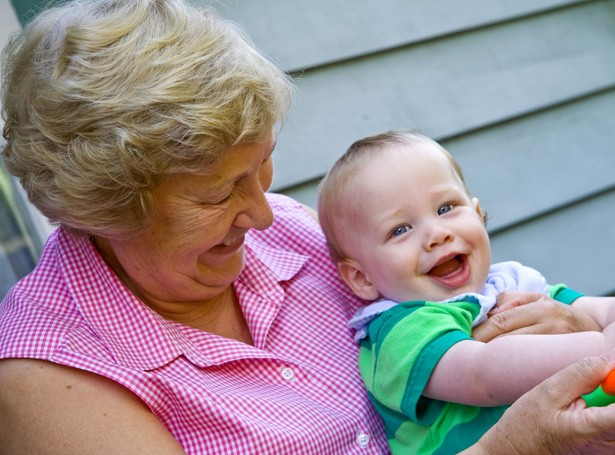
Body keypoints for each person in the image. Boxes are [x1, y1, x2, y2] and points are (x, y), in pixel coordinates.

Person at [0, 1, 613, 454]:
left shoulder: (283, 229)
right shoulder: (50, 379)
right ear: (105, 211)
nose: (266, 214)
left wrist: (567, 322)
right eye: (218, 195)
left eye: (262, 167)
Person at [317, 129, 615, 454]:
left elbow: (597, 309)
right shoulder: (399, 329)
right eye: (400, 230)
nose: (436, 234)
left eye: (446, 208)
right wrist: (603, 346)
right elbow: (483, 374)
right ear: (362, 277)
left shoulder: (508, 281)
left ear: (477, 213)